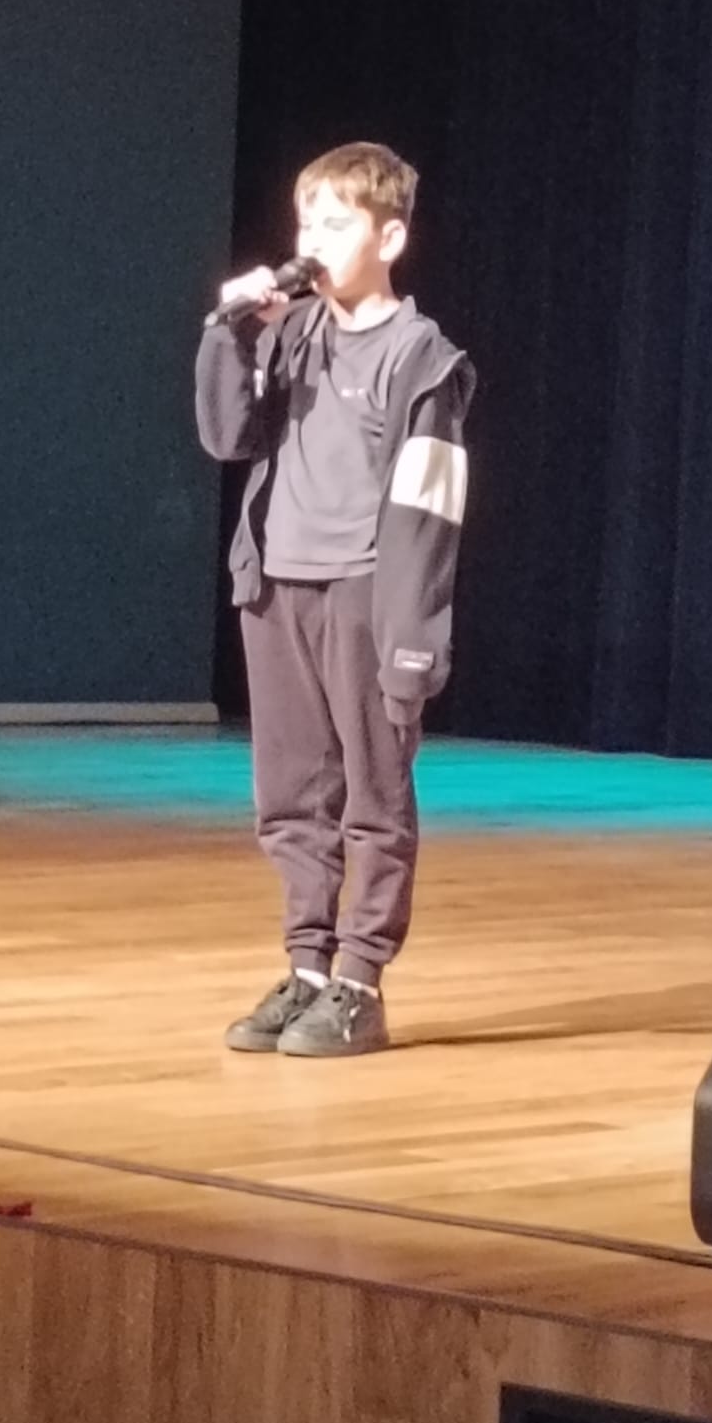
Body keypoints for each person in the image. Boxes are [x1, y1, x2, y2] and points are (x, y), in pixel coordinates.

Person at [195, 141, 476, 1056]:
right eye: (305, 221)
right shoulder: (290, 332)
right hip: (278, 584)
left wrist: (413, 639)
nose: (313, 239)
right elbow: (228, 437)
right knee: (290, 797)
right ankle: (307, 965)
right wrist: (231, 333)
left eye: (337, 222)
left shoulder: (422, 358)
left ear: (389, 238)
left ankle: (359, 978)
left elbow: (431, 509)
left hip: (366, 593)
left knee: (375, 797)